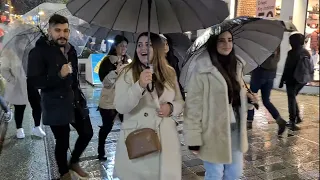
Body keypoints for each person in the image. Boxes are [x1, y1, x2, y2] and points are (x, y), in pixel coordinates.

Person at [27, 14, 93, 180]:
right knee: (62, 142)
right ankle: (64, 173)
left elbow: (75, 78)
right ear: (49, 31)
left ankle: (74, 161)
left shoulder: (72, 50)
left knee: (87, 133)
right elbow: (35, 81)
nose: (62, 34)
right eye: (57, 30)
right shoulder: (38, 52)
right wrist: (59, 75)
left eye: (65, 30)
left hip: (75, 101)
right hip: (55, 104)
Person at [183, 31, 257, 180]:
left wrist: (247, 99)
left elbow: (235, 97)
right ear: (213, 44)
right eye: (221, 41)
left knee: (234, 174)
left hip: (235, 130)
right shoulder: (202, 69)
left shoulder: (236, 66)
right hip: (212, 132)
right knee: (215, 175)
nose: (227, 44)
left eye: (230, 40)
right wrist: (194, 139)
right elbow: (193, 108)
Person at [113, 32, 184, 180]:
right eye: (139, 45)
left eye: (148, 44)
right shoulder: (127, 72)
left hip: (165, 139)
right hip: (139, 139)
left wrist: (171, 108)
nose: (142, 48)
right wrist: (139, 86)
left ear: (157, 48)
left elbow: (180, 101)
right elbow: (120, 107)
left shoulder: (169, 72)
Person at [97, 35, 130, 160]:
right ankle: (101, 150)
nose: (123, 48)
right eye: (121, 45)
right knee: (107, 127)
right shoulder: (107, 61)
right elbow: (105, 82)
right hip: (109, 100)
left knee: (128, 125)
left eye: (126, 46)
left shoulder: (128, 60)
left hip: (123, 100)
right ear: (115, 46)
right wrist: (116, 72)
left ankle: (129, 149)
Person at [0, 47, 45, 138]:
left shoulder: (31, 51)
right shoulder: (9, 53)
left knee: (37, 105)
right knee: (19, 107)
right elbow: (4, 69)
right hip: (18, 84)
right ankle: (19, 129)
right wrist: (13, 80)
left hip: (31, 82)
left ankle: (37, 127)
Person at [247, 47, 287, 135]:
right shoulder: (276, 43)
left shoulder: (261, 44)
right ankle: (279, 120)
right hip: (271, 76)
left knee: (251, 97)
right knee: (266, 101)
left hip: (258, 74)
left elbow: (255, 59)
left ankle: (249, 121)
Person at [279, 33, 310, 131]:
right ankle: (297, 117)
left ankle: (292, 121)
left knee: (291, 99)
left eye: (290, 41)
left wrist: (282, 80)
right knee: (293, 97)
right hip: (302, 80)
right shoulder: (306, 52)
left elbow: (287, 68)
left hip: (292, 79)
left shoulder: (292, 53)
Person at [161, 35, 186, 100]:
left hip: (175, 90)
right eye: (162, 44)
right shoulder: (156, 61)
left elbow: (178, 77)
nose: (165, 47)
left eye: (167, 44)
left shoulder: (174, 60)